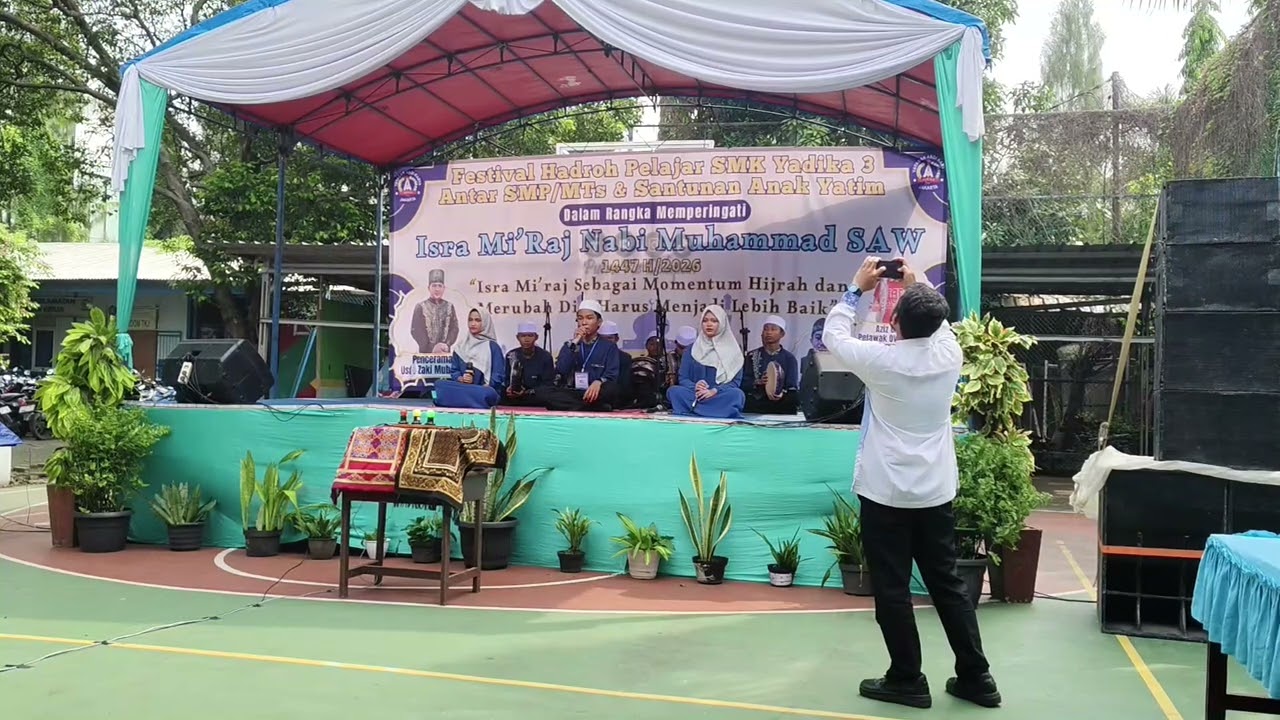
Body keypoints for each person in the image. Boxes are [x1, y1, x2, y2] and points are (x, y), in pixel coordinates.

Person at [821, 257, 999, 710]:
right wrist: (914, 282)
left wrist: (856, 289)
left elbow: (834, 335)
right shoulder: (949, 353)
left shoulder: (881, 360)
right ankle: (977, 678)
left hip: (885, 492)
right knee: (947, 584)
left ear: (895, 321)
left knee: (893, 587)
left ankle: (906, 678)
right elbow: (936, 322)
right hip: (935, 490)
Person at [537, 299, 621, 412]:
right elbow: (561, 370)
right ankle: (590, 407)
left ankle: (576, 406)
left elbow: (612, 374)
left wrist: (599, 381)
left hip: (595, 392)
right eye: (580, 318)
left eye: (589, 318)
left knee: (611, 389)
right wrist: (575, 342)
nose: (584, 322)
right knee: (543, 391)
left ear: (599, 322)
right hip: (574, 392)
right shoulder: (570, 345)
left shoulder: (609, 346)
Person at [666, 305, 746, 419]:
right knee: (674, 391)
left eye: (714, 321)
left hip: (719, 395)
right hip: (696, 395)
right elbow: (683, 378)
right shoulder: (691, 349)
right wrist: (696, 386)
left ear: (722, 324)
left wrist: (714, 390)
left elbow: (735, 382)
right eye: (705, 320)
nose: (709, 324)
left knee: (737, 395)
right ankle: (716, 411)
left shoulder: (733, 350)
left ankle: (695, 410)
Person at [432, 307, 505, 409]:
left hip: (483, 389)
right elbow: (454, 370)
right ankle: (472, 400)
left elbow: (498, 375)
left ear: (485, 323)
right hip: (464, 387)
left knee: (489, 393)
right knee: (440, 384)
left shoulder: (492, 347)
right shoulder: (461, 346)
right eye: (470, 320)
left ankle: (461, 400)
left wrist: (487, 385)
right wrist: (460, 378)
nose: (473, 323)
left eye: (477, 320)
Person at [741, 315, 800, 415]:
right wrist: (757, 382)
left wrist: (780, 393)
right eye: (766, 329)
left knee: (793, 399)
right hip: (757, 401)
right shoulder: (751, 356)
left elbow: (792, 386)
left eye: (773, 329)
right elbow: (743, 382)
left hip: (780, 402)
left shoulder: (789, 358)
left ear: (782, 334)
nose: (769, 332)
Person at [501, 321, 554, 407]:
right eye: (523, 336)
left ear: (536, 337)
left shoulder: (545, 357)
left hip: (536, 396)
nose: (526, 339)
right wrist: (509, 388)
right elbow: (506, 379)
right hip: (514, 395)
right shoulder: (511, 355)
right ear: (518, 337)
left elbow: (548, 384)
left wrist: (526, 392)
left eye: (530, 335)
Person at [410, 269, 459, 353]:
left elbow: (454, 328)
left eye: (440, 286)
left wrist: (446, 344)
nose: (437, 289)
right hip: (426, 354)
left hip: (444, 352)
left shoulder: (449, 306)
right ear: (429, 288)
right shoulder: (420, 306)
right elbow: (416, 330)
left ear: (444, 288)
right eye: (434, 286)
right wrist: (431, 347)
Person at [598, 321, 633, 408]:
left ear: (616, 339)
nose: (606, 342)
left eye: (609, 338)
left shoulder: (624, 358)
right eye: (603, 339)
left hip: (615, 398)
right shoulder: (593, 354)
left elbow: (625, 386)